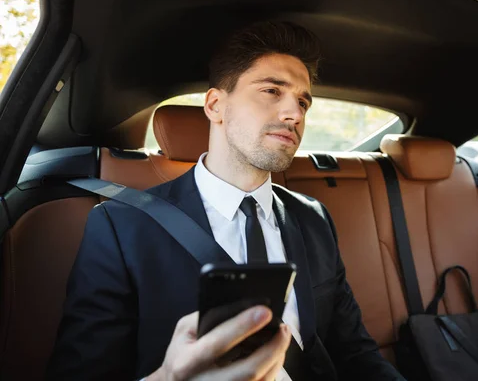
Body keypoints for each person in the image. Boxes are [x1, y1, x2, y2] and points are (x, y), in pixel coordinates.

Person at [46, 21, 404, 381]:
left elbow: (355, 352)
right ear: (216, 105)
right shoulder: (121, 227)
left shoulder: (313, 218)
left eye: (302, 102)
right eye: (271, 91)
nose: (294, 114)